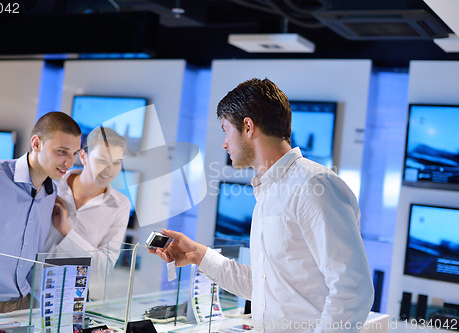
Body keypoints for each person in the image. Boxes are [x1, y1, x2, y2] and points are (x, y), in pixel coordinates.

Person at [152, 78, 374, 332]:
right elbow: (266, 285)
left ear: (248, 126)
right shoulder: (268, 191)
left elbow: (352, 288)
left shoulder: (314, 185)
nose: (224, 143)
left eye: (225, 130)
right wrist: (198, 255)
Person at [0, 111, 82, 316]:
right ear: (36, 144)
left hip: (21, 309)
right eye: (62, 151)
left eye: (74, 153)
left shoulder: (51, 194)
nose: (69, 163)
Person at [42, 126, 130, 298]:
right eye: (102, 160)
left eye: (116, 163)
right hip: (27, 293)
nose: (109, 170)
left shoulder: (120, 205)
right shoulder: (51, 186)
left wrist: (67, 232)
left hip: (74, 299)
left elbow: (104, 267)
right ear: (83, 156)